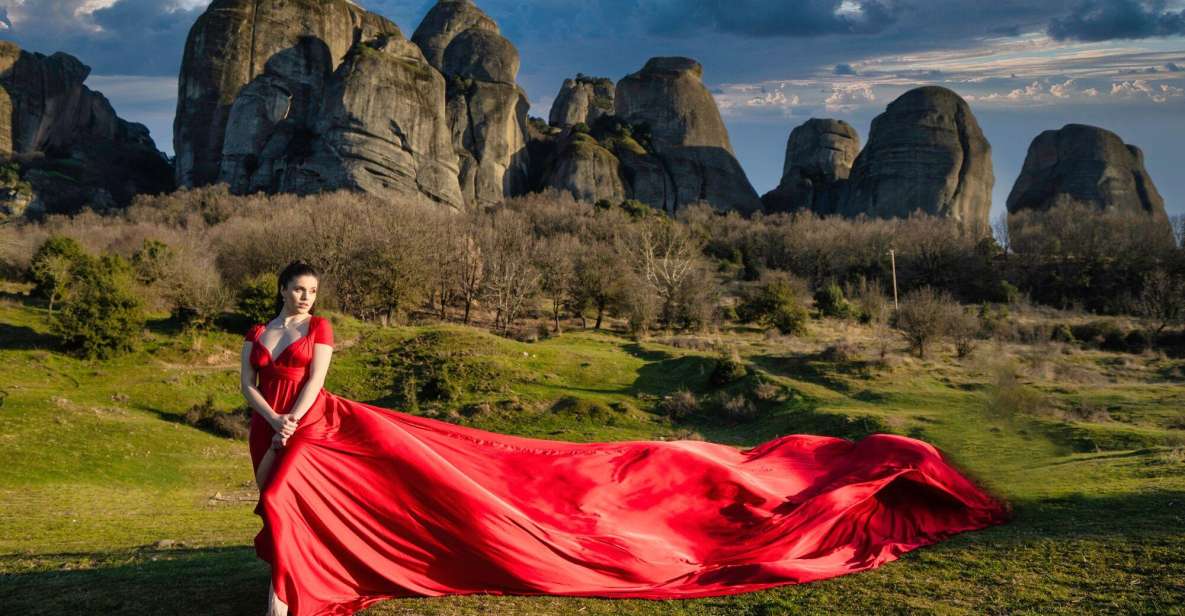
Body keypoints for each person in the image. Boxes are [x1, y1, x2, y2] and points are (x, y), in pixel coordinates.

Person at [241, 259, 1012, 616]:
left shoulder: (323, 330)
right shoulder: (261, 327)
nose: (302, 298)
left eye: (310, 291)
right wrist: (264, 414)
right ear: (280, 289)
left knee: (289, 488)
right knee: (274, 490)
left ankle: (285, 598)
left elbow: (314, 380)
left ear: (319, 296)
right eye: (294, 289)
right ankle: (287, 581)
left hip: (309, 421)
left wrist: (291, 419)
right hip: (263, 419)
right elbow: (245, 375)